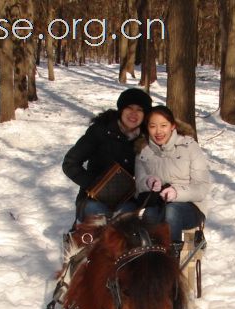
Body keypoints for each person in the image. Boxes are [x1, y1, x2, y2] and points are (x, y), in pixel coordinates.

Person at [63, 88, 152, 222]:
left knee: (129, 225)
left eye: (139, 109)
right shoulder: (101, 130)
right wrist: (96, 185)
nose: (134, 113)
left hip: (127, 200)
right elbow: (70, 163)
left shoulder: (146, 139)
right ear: (121, 109)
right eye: (129, 108)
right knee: (98, 219)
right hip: (94, 199)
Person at [135, 105, 211, 248]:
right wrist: (148, 181)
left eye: (163, 125)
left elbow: (202, 187)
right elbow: (139, 183)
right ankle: (148, 259)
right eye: (153, 126)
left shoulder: (189, 147)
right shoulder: (143, 151)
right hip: (157, 204)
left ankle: (171, 259)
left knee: (172, 212)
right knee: (148, 216)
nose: (158, 131)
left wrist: (176, 193)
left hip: (190, 207)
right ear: (147, 128)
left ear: (172, 126)